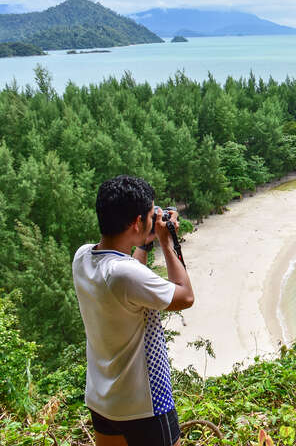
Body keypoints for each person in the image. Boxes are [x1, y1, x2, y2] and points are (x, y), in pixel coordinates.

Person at [72, 175, 194, 446]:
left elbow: (128, 272)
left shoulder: (82, 257)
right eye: (151, 215)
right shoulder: (124, 275)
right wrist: (166, 241)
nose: (155, 219)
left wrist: (143, 242)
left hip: (103, 399)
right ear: (137, 222)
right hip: (145, 404)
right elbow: (185, 297)